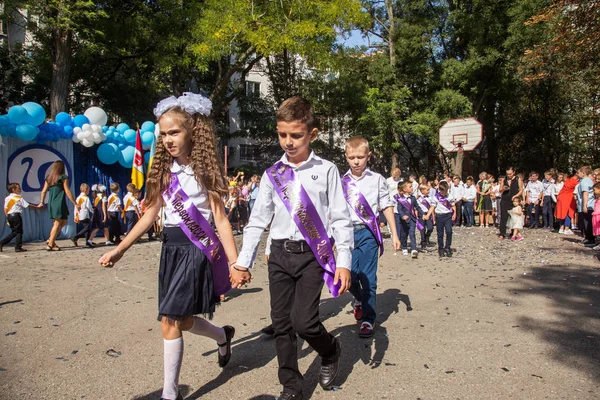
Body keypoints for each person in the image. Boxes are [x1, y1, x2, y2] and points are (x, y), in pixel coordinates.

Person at [99, 92, 239, 400]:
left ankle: (169, 394)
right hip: (171, 250)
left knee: (170, 321)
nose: (168, 139)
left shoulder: (205, 172)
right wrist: (120, 249)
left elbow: (222, 220)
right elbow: (149, 215)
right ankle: (221, 335)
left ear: (193, 132)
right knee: (182, 319)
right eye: (163, 134)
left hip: (195, 251)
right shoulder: (164, 172)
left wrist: (234, 263)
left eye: (174, 132)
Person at [232, 96, 353, 400]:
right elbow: (257, 220)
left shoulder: (326, 170)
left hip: (314, 256)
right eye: (282, 134)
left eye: (296, 135)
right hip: (279, 256)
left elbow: (340, 218)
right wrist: (243, 262)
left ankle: (330, 349)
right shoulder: (273, 174)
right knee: (283, 325)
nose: (288, 141)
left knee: (306, 323)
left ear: (312, 134)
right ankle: (292, 386)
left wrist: (345, 262)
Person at [341, 136, 400, 337]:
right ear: (346, 157)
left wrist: (394, 233)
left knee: (368, 277)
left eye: (360, 157)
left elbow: (386, 205)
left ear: (368, 156)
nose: (356, 161)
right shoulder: (341, 182)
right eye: (351, 157)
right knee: (349, 275)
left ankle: (368, 319)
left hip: (368, 232)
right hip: (346, 233)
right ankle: (359, 298)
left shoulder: (377, 180)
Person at [39, 161, 78, 251]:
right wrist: (75, 203)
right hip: (58, 202)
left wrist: (42, 201)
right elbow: (67, 191)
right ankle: (50, 244)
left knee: (63, 222)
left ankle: (51, 239)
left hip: (53, 202)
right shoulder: (63, 177)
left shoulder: (49, 178)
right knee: (57, 223)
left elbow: (43, 191)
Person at [1, 183, 42, 252]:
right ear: (13, 189)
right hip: (16, 216)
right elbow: (27, 205)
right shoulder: (18, 198)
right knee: (19, 232)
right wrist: (37, 207)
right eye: (18, 188)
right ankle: (18, 247)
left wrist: (7, 217)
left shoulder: (7, 198)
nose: (20, 189)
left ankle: (2, 243)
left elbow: (5, 208)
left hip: (10, 216)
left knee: (14, 232)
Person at [431, 180, 456, 257]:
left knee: (449, 231)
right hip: (439, 216)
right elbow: (432, 207)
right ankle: (441, 248)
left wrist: (454, 213)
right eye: (442, 192)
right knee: (440, 233)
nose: (443, 193)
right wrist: (432, 217)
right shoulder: (436, 197)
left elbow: (453, 205)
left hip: (448, 215)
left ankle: (447, 247)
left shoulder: (450, 196)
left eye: (444, 191)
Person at [396, 180, 420, 258]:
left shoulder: (413, 198)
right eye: (410, 186)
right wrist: (403, 216)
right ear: (405, 189)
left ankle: (413, 249)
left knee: (412, 233)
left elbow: (417, 207)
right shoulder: (401, 199)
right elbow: (399, 209)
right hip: (403, 220)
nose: (412, 188)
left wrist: (423, 214)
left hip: (412, 219)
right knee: (404, 234)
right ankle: (404, 247)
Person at [498, 167, 523, 239]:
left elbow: (521, 190)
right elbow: (500, 190)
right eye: (508, 174)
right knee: (503, 216)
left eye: (510, 174)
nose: (509, 175)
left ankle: (513, 232)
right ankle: (502, 233)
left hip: (514, 200)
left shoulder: (518, 179)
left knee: (513, 216)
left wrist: (516, 196)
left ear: (514, 172)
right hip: (505, 199)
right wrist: (503, 188)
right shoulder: (504, 179)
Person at [555, 170, 578, 235]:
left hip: (561, 197)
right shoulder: (575, 182)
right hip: (568, 198)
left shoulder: (568, 180)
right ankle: (567, 228)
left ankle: (561, 228)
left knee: (562, 213)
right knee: (568, 213)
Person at [576, 166, 595, 247]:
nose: (577, 174)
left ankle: (590, 238)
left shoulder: (584, 181)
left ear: (583, 173)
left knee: (587, 222)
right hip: (590, 204)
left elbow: (585, 193)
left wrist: (584, 205)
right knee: (588, 221)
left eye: (578, 172)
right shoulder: (588, 181)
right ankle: (589, 237)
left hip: (588, 204)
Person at [71, 183, 94, 248]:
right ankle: (75, 237)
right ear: (86, 190)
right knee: (87, 227)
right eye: (88, 190)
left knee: (87, 229)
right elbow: (89, 207)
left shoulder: (78, 198)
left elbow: (76, 207)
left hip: (79, 215)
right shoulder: (86, 198)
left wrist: (75, 216)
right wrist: (93, 211)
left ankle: (87, 242)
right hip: (85, 215)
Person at [416, 184, 435, 251]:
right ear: (422, 191)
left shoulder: (430, 198)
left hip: (428, 214)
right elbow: (416, 208)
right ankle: (423, 242)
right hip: (421, 215)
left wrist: (433, 217)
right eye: (427, 190)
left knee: (430, 228)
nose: (429, 191)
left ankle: (427, 237)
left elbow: (431, 207)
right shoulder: (418, 198)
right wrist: (416, 217)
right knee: (422, 229)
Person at [592, 182, 600, 251]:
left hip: (599, 216)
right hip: (596, 216)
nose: (594, 191)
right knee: (597, 232)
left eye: (595, 190)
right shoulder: (597, 198)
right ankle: (598, 243)